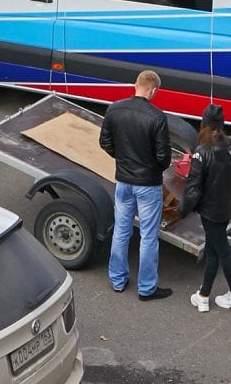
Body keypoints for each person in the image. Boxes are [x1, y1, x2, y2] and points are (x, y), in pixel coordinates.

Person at [99, 68, 173, 301]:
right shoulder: (157, 117)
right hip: (148, 185)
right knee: (148, 237)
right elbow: (164, 157)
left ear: (135, 85)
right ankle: (147, 288)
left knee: (121, 231)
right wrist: (152, 167)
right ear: (154, 90)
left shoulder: (114, 109)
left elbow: (105, 142)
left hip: (123, 181)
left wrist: (121, 158)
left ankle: (117, 280)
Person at [181, 105, 231, 313]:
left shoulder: (202, 153)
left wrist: (182, 211)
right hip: (227, 207)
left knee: (222, 252)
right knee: (212, 251)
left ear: (204, 124)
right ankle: (203, 295)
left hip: (210, 212)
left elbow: (192, 191)